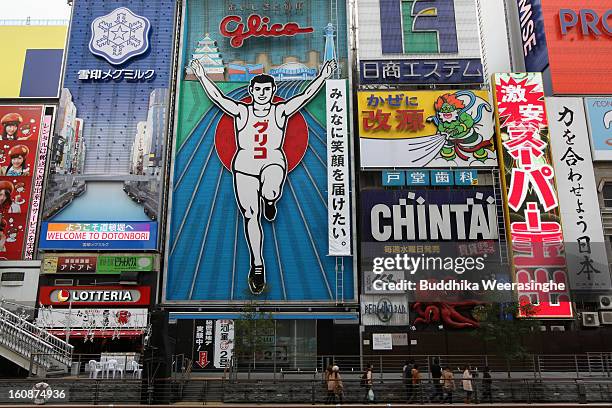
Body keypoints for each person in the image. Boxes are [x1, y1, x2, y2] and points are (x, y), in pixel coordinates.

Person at [190, 58, 337, 294]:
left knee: (271, 190)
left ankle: (270, 200)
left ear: (272, 91)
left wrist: (322, 76)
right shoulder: (241, 111)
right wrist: (201, 75)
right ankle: (257, 265)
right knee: (250, 215)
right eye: (258, 89)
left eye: (266, 89)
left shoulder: (281, 111)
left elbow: (306, 96)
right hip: (245, 166)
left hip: (272, 162)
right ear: (251, 90)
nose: (261, 93)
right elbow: (218, 97)